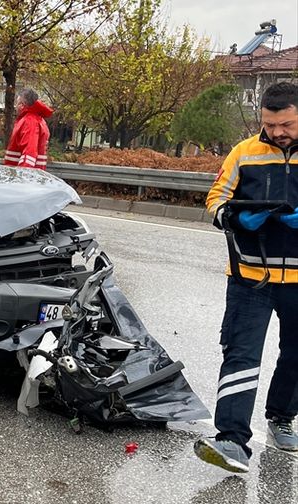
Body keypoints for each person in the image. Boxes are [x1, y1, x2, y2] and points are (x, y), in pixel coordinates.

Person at [194, 82, 298, 473]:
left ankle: (281, 418)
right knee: (241, 356)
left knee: (296, 356)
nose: (277, 133)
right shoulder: (244, 152)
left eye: (285, 124)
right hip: (249, 276)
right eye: (270, 125)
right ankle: (231, 441)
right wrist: (238, 217)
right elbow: (215, 201)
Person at [3, 89, 52, 169]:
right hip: (33, 175)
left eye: (17, 103)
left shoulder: (29, 121)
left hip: (24, 175)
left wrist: (23, 175)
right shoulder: (37, 119)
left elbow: (29, 152)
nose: (16, 107)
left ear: (22, 105)